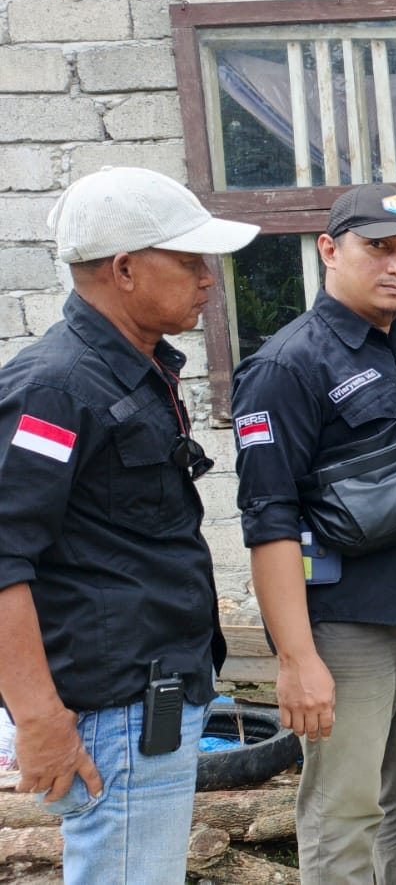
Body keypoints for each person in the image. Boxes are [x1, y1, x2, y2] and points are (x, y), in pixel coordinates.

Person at [0, 166, 257, 882]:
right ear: (124, 270)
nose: (207, 279)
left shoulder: (133, 369)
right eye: (189, 260)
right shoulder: (56, 388)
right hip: (111, 710)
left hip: (155, 696)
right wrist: (38, 716)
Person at [232, 184, 396, 883]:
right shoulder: (287, 365)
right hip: (347, 626)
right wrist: (296, 658)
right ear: (329, 249)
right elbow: (268, 520)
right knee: (344, 810)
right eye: (379, 248)